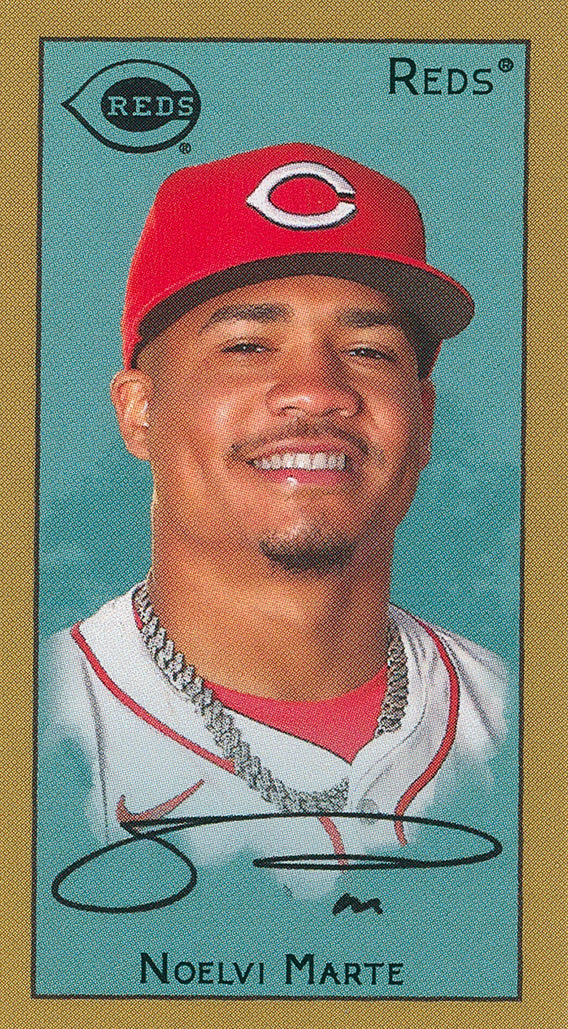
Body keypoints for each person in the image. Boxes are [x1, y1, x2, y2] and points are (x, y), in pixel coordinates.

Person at [45, 143, 506, 876]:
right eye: (248, 345)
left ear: (422, 420)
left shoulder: (518, 719)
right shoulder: (43, 724)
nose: (316, 390)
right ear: (138, 411)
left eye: (369, 351)